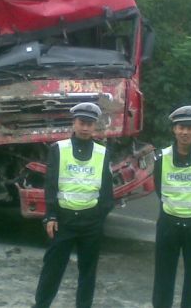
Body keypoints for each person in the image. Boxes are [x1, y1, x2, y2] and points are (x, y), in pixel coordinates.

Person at [33, 102, 114, 308]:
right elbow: (50, 185)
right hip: (63, 222)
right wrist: (50, 215)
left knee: (88, 273)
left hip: (91, 223)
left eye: (90, 123)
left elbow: (107, 190)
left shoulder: (102, 153)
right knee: (52, 269)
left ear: (95, 125)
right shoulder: (58, 149)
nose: (86, 127)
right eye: (82, 122)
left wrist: (99, 217)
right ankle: (41, 304)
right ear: (74, 123)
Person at [152, 105, 191, 308]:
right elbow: (158, 188)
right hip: (168, 224)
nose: (185, 132)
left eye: (190, 127)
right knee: (164, 273)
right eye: (181, 127)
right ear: (174, 129)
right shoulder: (161, 157)